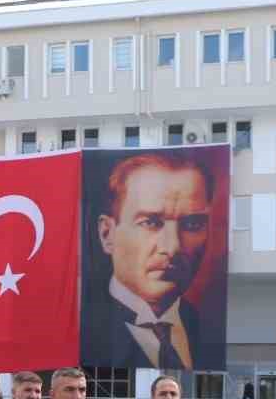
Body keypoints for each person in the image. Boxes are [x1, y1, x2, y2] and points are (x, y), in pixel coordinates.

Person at [87, 152, 223, 370]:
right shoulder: (83, 329)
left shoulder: (208, 329)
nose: (172, 247)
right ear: (107, 234)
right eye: (150, 222)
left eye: (192, 225)